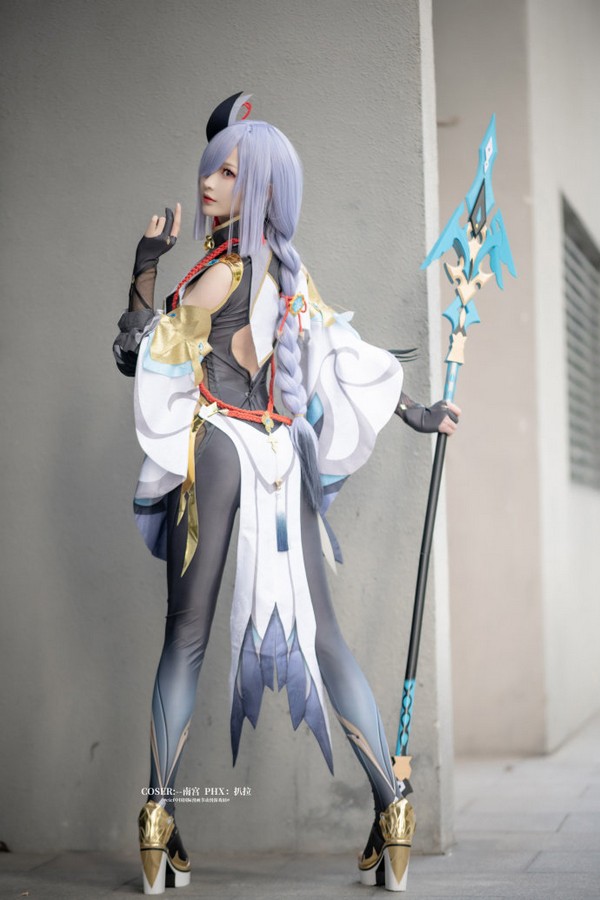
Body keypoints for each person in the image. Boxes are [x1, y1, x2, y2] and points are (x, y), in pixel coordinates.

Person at [114, 93, 460, 895]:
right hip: (279, 456)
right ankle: (394, 808)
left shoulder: (219, 271)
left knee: (185, 639)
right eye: (212, 168)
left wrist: (142, 266)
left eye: (228, 173)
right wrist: (419, 412)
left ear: (262, 186)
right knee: (326, 636)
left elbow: (140, 355)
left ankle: (158, 819)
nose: (209, 182)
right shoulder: (289, 273)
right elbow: (345, 353)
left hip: (217, 451)